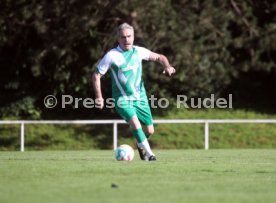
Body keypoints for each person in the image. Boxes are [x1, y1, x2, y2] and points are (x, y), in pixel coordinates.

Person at [92, 23, 175, 161]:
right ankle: (150, 155)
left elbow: (160, 57)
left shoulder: (139, 51)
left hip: (140, 97)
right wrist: (99, 97)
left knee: (149, 130)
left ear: (133, 36)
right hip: (122, 99)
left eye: (129, 36)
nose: (126, 40)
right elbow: (96, 75)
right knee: (135, 124)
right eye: (123, 37)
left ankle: (140, 144)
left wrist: (167, 67)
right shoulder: (112, 55)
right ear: (118, 38)